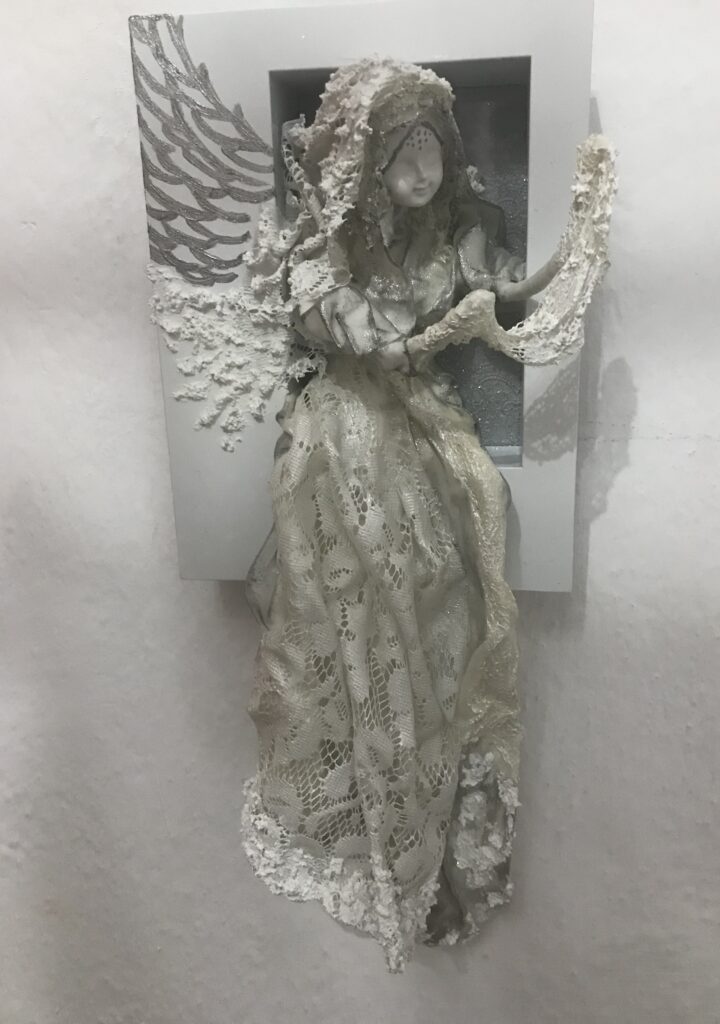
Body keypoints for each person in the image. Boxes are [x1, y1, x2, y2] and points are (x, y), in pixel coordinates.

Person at [240, 56, 615, 971]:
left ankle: (432, 820)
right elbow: (359, 335)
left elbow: (511, 293)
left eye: (431, 151)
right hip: (345, 442)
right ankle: (372, 814)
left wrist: (577, 242)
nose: (422, 171)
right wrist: (431, 336)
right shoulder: (328, 255)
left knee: (445, 603)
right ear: (368, 166)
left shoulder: (454, 236)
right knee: (361, 611)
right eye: (402, 154)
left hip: (425, 438)